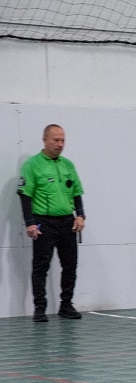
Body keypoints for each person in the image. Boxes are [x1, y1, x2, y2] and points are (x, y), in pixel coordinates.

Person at [17, 124, 86, 322]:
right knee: (41, 266)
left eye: (62, 140)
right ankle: (40, 308)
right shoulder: (32, 165)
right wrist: (29, 223)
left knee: (70, 265)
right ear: (45, 140)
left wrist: (80, 215)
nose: (60, 144)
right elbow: (24, 195)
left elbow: (77, 193)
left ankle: (66, 305)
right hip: (43, 223)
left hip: (67, 222)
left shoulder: (68, 165)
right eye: (55, 140)